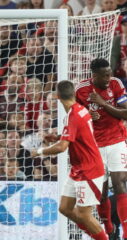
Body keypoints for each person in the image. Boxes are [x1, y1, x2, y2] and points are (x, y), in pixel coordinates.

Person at [31, 80, 108, 240]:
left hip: (89, 170)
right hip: (78, 169)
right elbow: (77, 135)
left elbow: (61, 148)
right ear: (73, 94)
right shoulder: (81, 110)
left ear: (57, 96)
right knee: (65, 208)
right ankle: (97, 236)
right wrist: (58, 137)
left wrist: (39, 151)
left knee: (85, 216)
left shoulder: (72, 116)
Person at [75, 58, 127, 240]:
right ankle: (109, 228)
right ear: (94, 76)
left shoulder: (116, 84)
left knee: (120, 184)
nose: (109, 77)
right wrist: (86, 116)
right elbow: (74, 119)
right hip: (94, 147)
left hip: (116, 140)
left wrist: (103, 103)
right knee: (101, 193)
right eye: (104, 75)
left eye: (109, 73)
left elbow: (125, 113)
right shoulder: (81, 90)